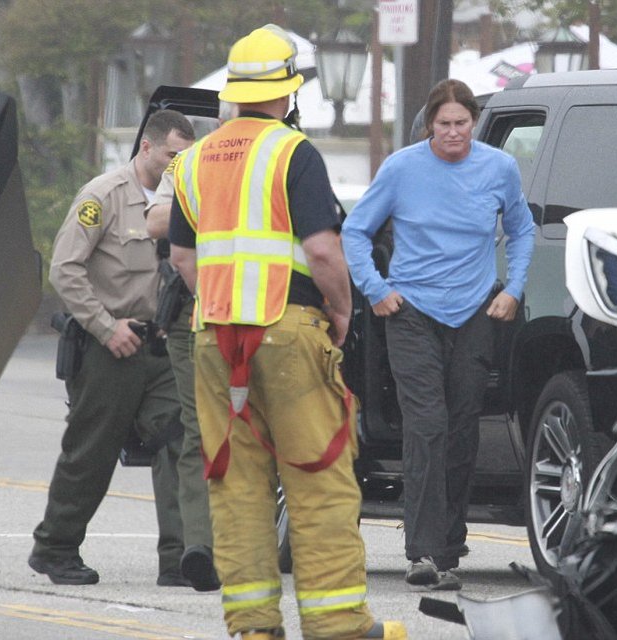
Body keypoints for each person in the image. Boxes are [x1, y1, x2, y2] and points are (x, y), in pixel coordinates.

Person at [169, 25, 405, 640]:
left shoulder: (192, 160)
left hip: (214, 341)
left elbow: (181, 260)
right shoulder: (292, 152)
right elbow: (324, 251)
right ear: (288, 93)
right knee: (318, 477)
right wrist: (343, 311)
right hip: (290, 331)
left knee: (236, 485)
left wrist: (223, 302)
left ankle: (252, 627)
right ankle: (339, 628)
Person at [342, 79, 536, 591]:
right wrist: (376, 289)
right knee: (426, 423)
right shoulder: (402, 168)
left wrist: (513, 288)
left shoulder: (499, 168)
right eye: (444, 124)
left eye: (462, 123)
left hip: (473, 311)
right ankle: (422, 553)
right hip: (411, 310)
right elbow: (355, 231)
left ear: (474, 123)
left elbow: (522, 229)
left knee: (462, 426)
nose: (453, 133)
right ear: (430, 124)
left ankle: (448, 547)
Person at [29, 109, 195, 586]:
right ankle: (55, 547)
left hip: (159, 343)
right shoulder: (103, 196)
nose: (177, 165)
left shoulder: (182, 202)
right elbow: (65, 269)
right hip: (108, 346)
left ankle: (179, 556)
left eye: (185, 158)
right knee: (91, 449)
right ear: (147, 147)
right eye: (171, 155)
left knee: (179, 438)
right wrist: (104, 327)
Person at [142, 102, 238, 593]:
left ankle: (244, 546)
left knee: (255, 432)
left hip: (266, 313)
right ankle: (198, 547)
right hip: (195, 310)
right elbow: (157, 223)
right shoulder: (192, 164)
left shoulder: (288, 157)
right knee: (198, 427)